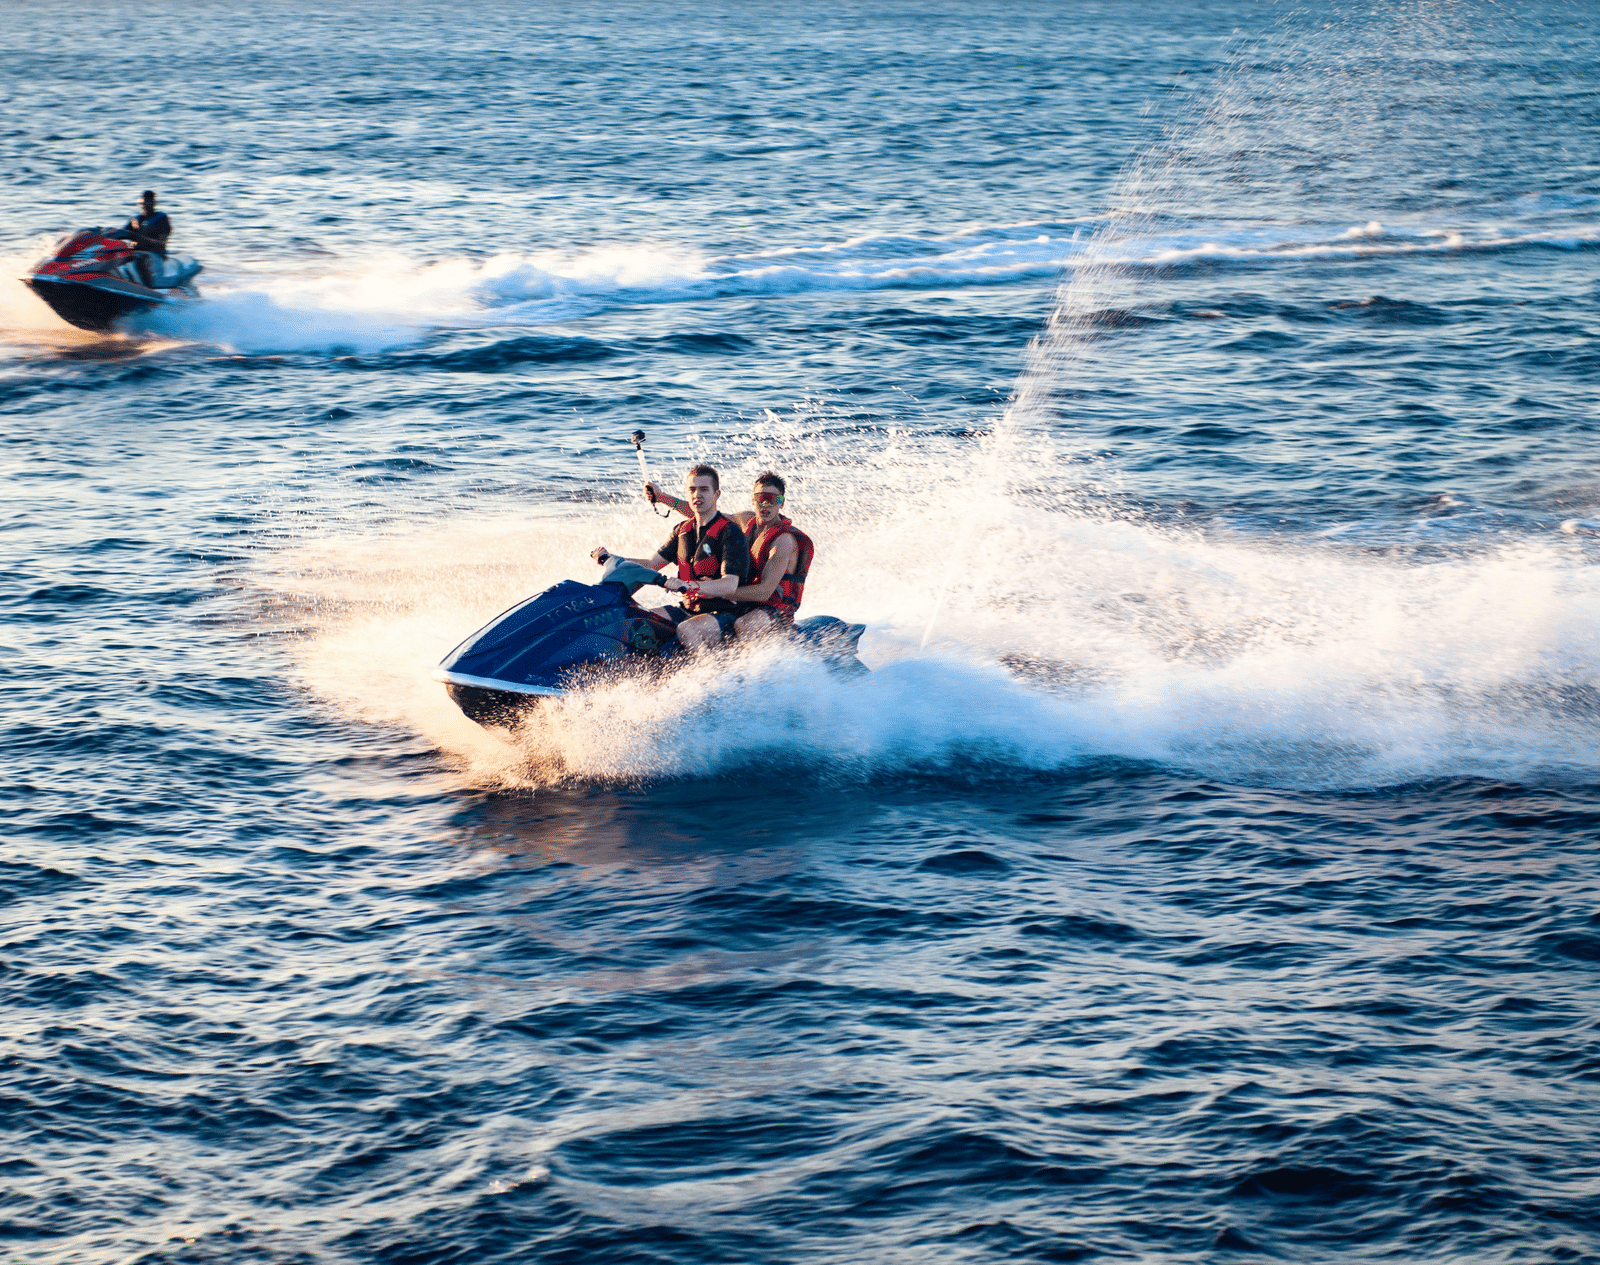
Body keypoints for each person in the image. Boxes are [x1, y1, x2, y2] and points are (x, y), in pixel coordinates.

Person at [590, 464, 752, 651]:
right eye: (692, 489)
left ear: (717, 494)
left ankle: (712, 675)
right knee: (634, 620)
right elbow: (651, 565)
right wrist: (612, 558)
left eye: (704, 489)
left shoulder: (730, 533)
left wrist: (688, 585)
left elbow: (730, 584)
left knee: (686, 629)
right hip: (687, 609)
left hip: (723, 614)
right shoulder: (682, 531)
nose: (697, 495)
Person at [647, 470, 813, 637]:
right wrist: (662, 498)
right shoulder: (746, 520)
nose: (765, 505)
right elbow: (703, 514)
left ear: (781, 503)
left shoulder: (784, 541)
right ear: (752, 500)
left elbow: (764, 592)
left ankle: (748, 663)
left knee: (744, 625)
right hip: (744, 600)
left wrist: (714, 590)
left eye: (772, 500)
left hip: (774, 608)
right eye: (760, 499)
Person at [108, 191, 172, 288]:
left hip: (154, 255)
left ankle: (149, 292)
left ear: (154, 204)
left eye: (147, 203)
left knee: (140, 258)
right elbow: (122, 232)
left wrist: (142, 240)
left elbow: (161, 244)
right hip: (135, 253)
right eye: (141, 204)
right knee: (113, 256)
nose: (144, 206)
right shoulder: (135, 220)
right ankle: (109, 282)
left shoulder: (162, 219)